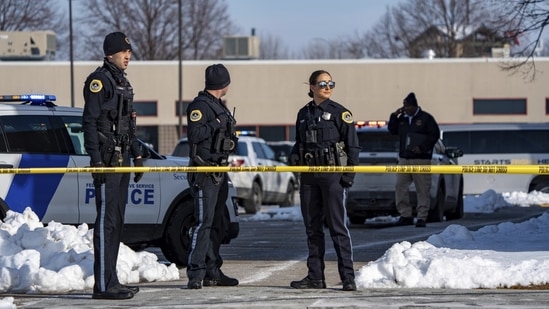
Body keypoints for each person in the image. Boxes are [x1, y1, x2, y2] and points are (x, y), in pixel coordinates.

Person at [83, 31, 143, 300]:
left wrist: (138, 155)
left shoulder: (121, 82)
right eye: (123, 52)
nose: (128, 55)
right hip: (107, 161)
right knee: (107, 222)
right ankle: (103, 286)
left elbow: (128, 125)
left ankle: (112, 280)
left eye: (129, 52)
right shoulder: (99, 81)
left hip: (122, 159)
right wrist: (96, 159)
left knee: (116, 221)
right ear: (110, 53)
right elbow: (90, 123)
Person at [289, 70, 361, 291]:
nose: (327, 87)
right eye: (322, 84)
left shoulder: (340, 113)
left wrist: (347, 176)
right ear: (311, 87)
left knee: (338, 227)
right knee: (312, 228)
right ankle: (315, 277)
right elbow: (299, 142)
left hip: (332, 176)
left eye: (331, 83)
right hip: (309, 176)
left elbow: (353, 147)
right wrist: (292, 159)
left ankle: (348, 277)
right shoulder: (303, 114)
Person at [185, 64, 239, 290]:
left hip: (219, 171)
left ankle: (212, 271)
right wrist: (216, 124)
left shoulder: (219, 107)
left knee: (216, 224)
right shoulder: (200, 106)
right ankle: (196, 273)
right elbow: (195, 134)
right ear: (223, 84)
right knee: (203, 223)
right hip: (204, 173)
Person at [388, 92, 440, 228]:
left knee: (422, 188)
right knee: (400, 186)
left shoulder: (426, 118)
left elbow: (434, 134)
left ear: (414, 106)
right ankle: (405, 215)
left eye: (408, 107)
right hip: (405, 158)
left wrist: (422, 148)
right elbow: (392, 131)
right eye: (404, 107)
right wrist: (394, 116)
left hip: (421, 159)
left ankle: (422, 217)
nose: (406, 109)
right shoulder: (403, 119)